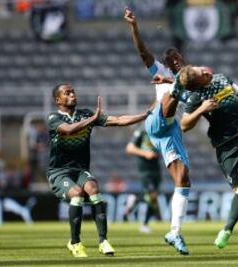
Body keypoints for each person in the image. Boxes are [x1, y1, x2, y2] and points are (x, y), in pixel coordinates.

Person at [174, 65, 238, 249]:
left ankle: (227, 230)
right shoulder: (196, 97)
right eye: (200, 74)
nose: (204, 71)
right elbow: (183, 125)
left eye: (200, 69)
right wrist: (201, 110)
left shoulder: (222, 78)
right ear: (197, 82)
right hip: (225, 146)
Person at [46, 83, 150, 258]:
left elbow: (118, 120)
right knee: (77, 193)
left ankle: (103, 241)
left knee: (94, 189)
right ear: (58, 100)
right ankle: (75, 243)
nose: (72, 94)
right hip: (59, 171)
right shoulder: (53, 118)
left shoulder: (86, 114)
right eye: (67, 93)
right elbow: (69, 130)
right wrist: (92, 119)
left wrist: (146, 114)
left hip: (80, 169)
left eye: (73, 91)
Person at [124, 7, 191, 255]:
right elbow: (143, 53)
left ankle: (175, 231)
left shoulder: (193, 80)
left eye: (176, 58)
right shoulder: (164, 73)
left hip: (172, 132)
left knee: (183, 181)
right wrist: (134, 27)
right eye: (170, 60)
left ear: (182, 59)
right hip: (156, 120)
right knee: (172, 95)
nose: (173, 61)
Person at [125, 126, 162, 234]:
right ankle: (144, 224)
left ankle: (135, 200)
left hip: (156, 168)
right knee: (152, 195)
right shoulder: (141, 131)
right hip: (145, 170)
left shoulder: (159, 130)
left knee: (153, 199)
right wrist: (145, 153)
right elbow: (129, 148)